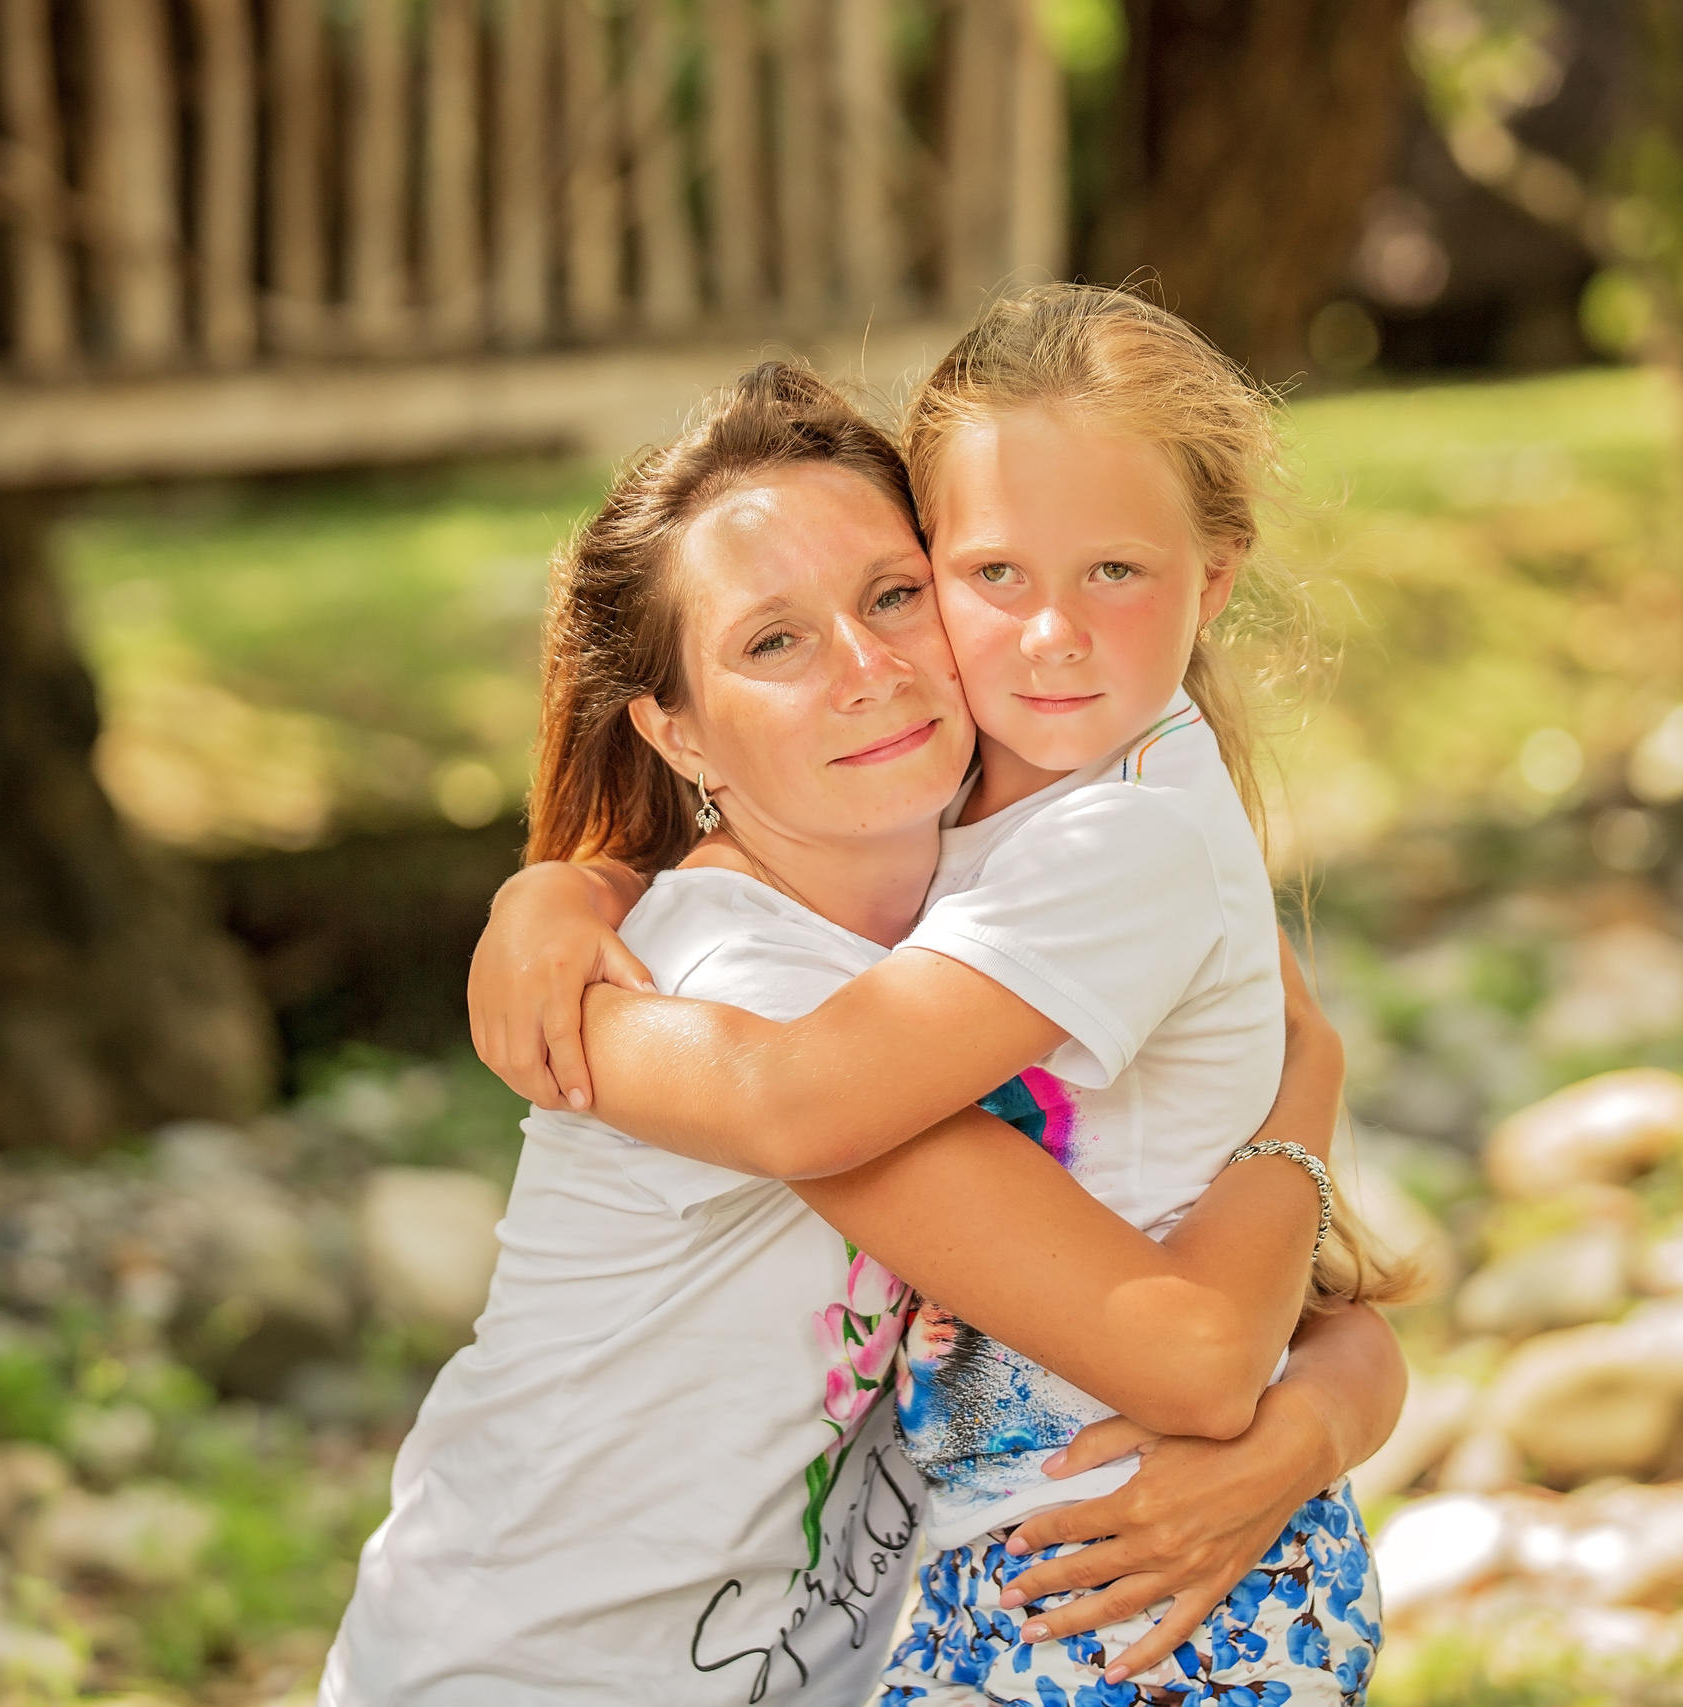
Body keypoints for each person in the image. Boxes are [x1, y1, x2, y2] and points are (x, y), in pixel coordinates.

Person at [325, 360, 1407, 1707]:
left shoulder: (974, 945)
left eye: (895, 595)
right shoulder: (756, 1000)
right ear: (677, 732)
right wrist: (1306, 1088)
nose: (869, 670)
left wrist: (1307, 1427)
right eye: (773, 642)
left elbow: (1311, 1317)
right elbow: (1189, 1347)